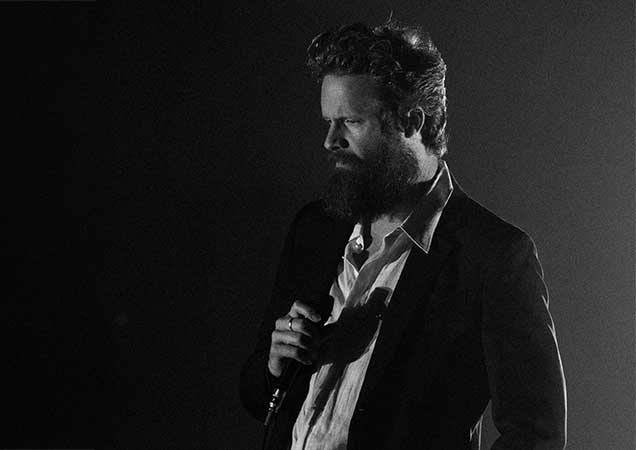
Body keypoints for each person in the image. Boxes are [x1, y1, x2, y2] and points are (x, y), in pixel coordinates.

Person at [240, 20, 567, 450]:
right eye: (328, 121)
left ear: (412, 121)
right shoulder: (315, 229)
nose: (329, 141)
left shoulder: (493, 256)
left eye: (351, 122)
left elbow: (536, 433)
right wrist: (275, 366)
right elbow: (256, 395)